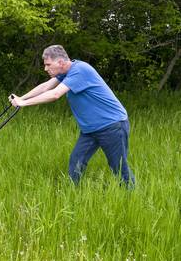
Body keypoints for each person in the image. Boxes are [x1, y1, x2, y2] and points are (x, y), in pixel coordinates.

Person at [9, 45, 135, 187]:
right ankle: (72, 194)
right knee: (76, 161)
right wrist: (21, 98)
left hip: (112, 125)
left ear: (61, 62)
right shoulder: (65, 71)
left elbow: (55, 94)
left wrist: (24, 103)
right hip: (90, 129)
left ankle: (131, 195)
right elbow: (46, 86)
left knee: (118, 167)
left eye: (48, 65)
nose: (45, 69)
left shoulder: (80, 70)